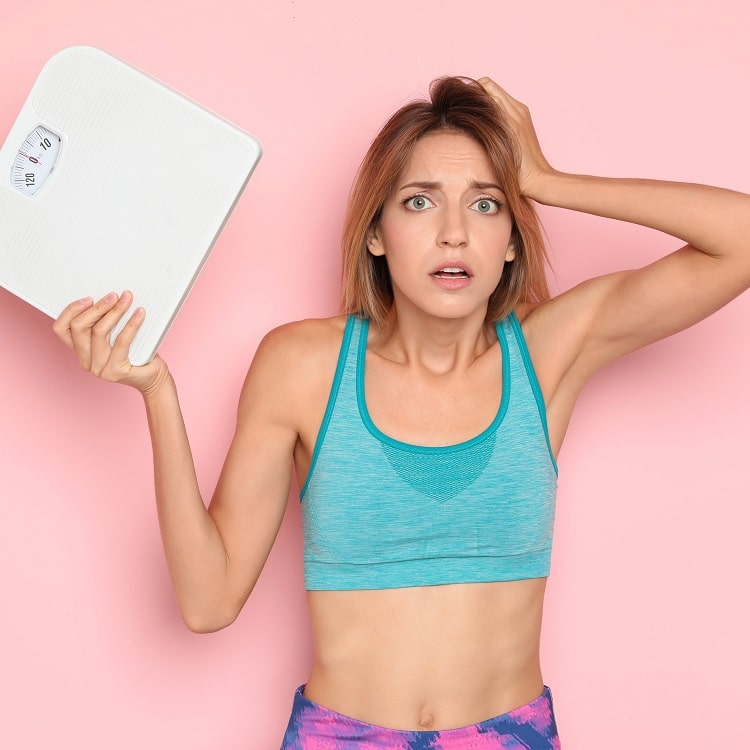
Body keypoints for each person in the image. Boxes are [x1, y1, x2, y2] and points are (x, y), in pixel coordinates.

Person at [53, 76, 750, 749]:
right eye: (420, 202)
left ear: (511, 241)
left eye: (485, 204)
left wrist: (542, 180)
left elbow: (740, 238)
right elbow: (208, 603)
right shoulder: (303, 366)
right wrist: (157, 393)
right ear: (377, 234)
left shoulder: (547, 352)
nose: (454, 233)